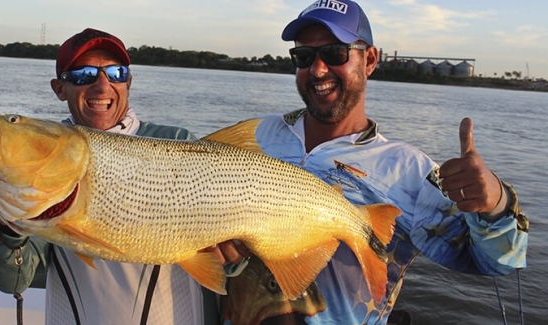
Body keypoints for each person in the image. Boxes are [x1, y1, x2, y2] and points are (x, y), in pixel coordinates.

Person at [215, 1, 529, 324]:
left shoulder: (409, 173)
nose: (318, 69)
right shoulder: (255, 136)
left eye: (335, 53)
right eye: (304, 56)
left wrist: (495, 202)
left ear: (370, 60)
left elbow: (498, 261)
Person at [0, 28, 211, 325]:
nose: (102, 86)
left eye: (116, 72)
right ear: (59, 88)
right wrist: (4, 223)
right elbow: (13, 281)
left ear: (128, 81)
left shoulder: (178, 141)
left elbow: (224, 264)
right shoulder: (45, 163)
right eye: (83, 74)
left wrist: (233, 259)